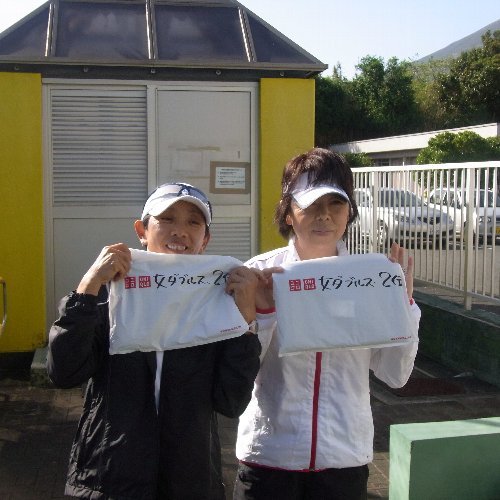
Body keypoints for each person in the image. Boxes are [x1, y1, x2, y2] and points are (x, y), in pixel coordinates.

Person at [47, 182, 263, 500]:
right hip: (107, 479)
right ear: (142, 231)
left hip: (190, 482)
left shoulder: (217, 306)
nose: (180, 231)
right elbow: (64, 372)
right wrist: (88, 286)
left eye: (193, 222)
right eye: (167, 219)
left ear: (205, 239)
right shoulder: (109, 294)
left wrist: (244, 323)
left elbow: (231, 402)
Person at [233, 148, 421, 500]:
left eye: (336, 204)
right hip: (269, 456)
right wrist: (265, 313)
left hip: (344, 458)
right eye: (311, 204)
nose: (324, 216)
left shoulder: (371, 278)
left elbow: (395, 374)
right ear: (288, 212)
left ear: (350, 211)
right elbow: (236, 376)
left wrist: (404, 308)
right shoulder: (258, 273)